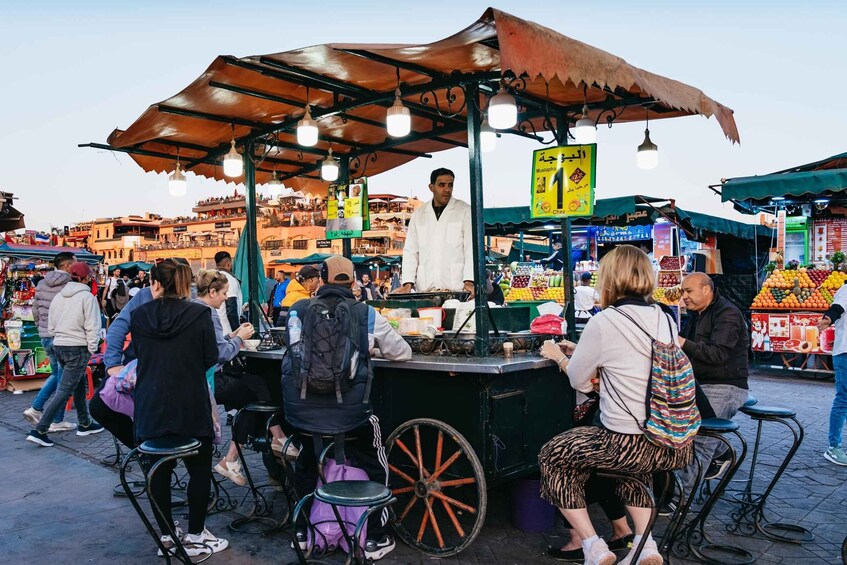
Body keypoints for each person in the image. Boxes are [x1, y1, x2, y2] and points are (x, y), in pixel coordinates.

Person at [538, 245, 692, 565]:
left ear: (610, 278)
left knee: (553, 456)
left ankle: (593, 545)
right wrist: (583, 350)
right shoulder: (664, 317)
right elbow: (633, 360)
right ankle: (645, 544)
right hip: (666, 439)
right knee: (631, 474)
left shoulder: (604, 321)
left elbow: (580, 381)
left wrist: (559, 356)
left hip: (621, 441)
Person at [283, 255, 411, 561]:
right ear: (353, 281)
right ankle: (375, 538)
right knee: (376, 458)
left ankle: (302, 533)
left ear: (321, 278)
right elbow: (403, 352)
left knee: (305, 459)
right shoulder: (365, 313)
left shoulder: (297, 310)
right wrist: (373, 348)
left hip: (301, 413)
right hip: (352, 415)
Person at [130, 259, 228, 557]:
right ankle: (197, 533)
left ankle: (167, 535)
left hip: (149, 403)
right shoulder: (199, 313)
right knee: (199, 470)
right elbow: (211, 358)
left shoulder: (139, 314)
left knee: (158, 471)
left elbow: (139, 354)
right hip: (190, 402)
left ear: (156, 283)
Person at [193, 269, 297, 486]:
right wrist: (238, 339)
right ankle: (275, 440)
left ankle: (239, 456)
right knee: (256, 392)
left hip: (197, 381)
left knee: (253, 390)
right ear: (212, 292)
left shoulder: (194, 308)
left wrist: (230, 336)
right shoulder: (208, 312)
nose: (225, 299)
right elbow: (220, 354)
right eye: (223, 294)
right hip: (210, 382)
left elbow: (212, 345)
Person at [677, 273, 749, 485]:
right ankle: (721, 451)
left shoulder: (728, 314)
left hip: (725, 385)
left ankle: (681, 499)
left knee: (701, 441)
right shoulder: (696, 315)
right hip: (699, 384)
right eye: (683, 291)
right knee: (682, 435)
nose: (684, 296)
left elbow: (717, 355)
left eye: (688, 291)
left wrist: (682, 342)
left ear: (706, 290)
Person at [27, 262, 105, 447]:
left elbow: (51, 325)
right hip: (77, 347)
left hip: (59, 345)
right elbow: (93, 326)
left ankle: (85, 423)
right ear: (86, 278)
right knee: (64, 390)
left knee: (77, 384)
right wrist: (92, 348)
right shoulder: (87, 297)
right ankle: (40, 429)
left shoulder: (59, 297)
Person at [396, 168, 474, 296]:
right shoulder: (418, 214)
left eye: (450, 185)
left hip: (457, 287)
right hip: (426, 288)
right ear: (431, 187)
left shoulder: (464, 210)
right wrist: (407, 284)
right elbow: (411, 251)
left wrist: (469, 281)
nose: (447, 190)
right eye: (442, 185)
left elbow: (471, 249)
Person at [24, 251, 77, 432]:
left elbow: (35, 310)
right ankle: (53, 418)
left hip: (46, 335)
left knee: (57, 374)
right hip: (62, 337)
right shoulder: (70, 285)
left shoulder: (41, 283)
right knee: (63, 381)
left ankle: (37, 409)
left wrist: (42, 328)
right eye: (75, 264)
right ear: (67, 266)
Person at [817, 285, 847, 465]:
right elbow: (837, 308)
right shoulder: (846, 290)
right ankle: (833, 446)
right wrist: (827, 319)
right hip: (845, 353)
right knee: (843, 399)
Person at [214, 251, 243, 334]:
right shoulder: (228, 279)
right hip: (227, 330)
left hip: (215, 328)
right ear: (228, 263)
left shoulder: (213, 277)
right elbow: (231, 309)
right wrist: (238, 334)